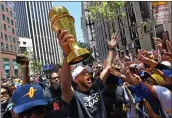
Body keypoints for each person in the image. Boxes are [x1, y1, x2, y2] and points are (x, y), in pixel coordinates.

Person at [57, 29, 120, 118]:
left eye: (87, 72)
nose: (87, 74)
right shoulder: (73, 97)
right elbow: (65, 84)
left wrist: (111, 48)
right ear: (76, 79)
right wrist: (67, 54)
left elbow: (107, 68)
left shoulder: (95, 86)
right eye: (83, 73)